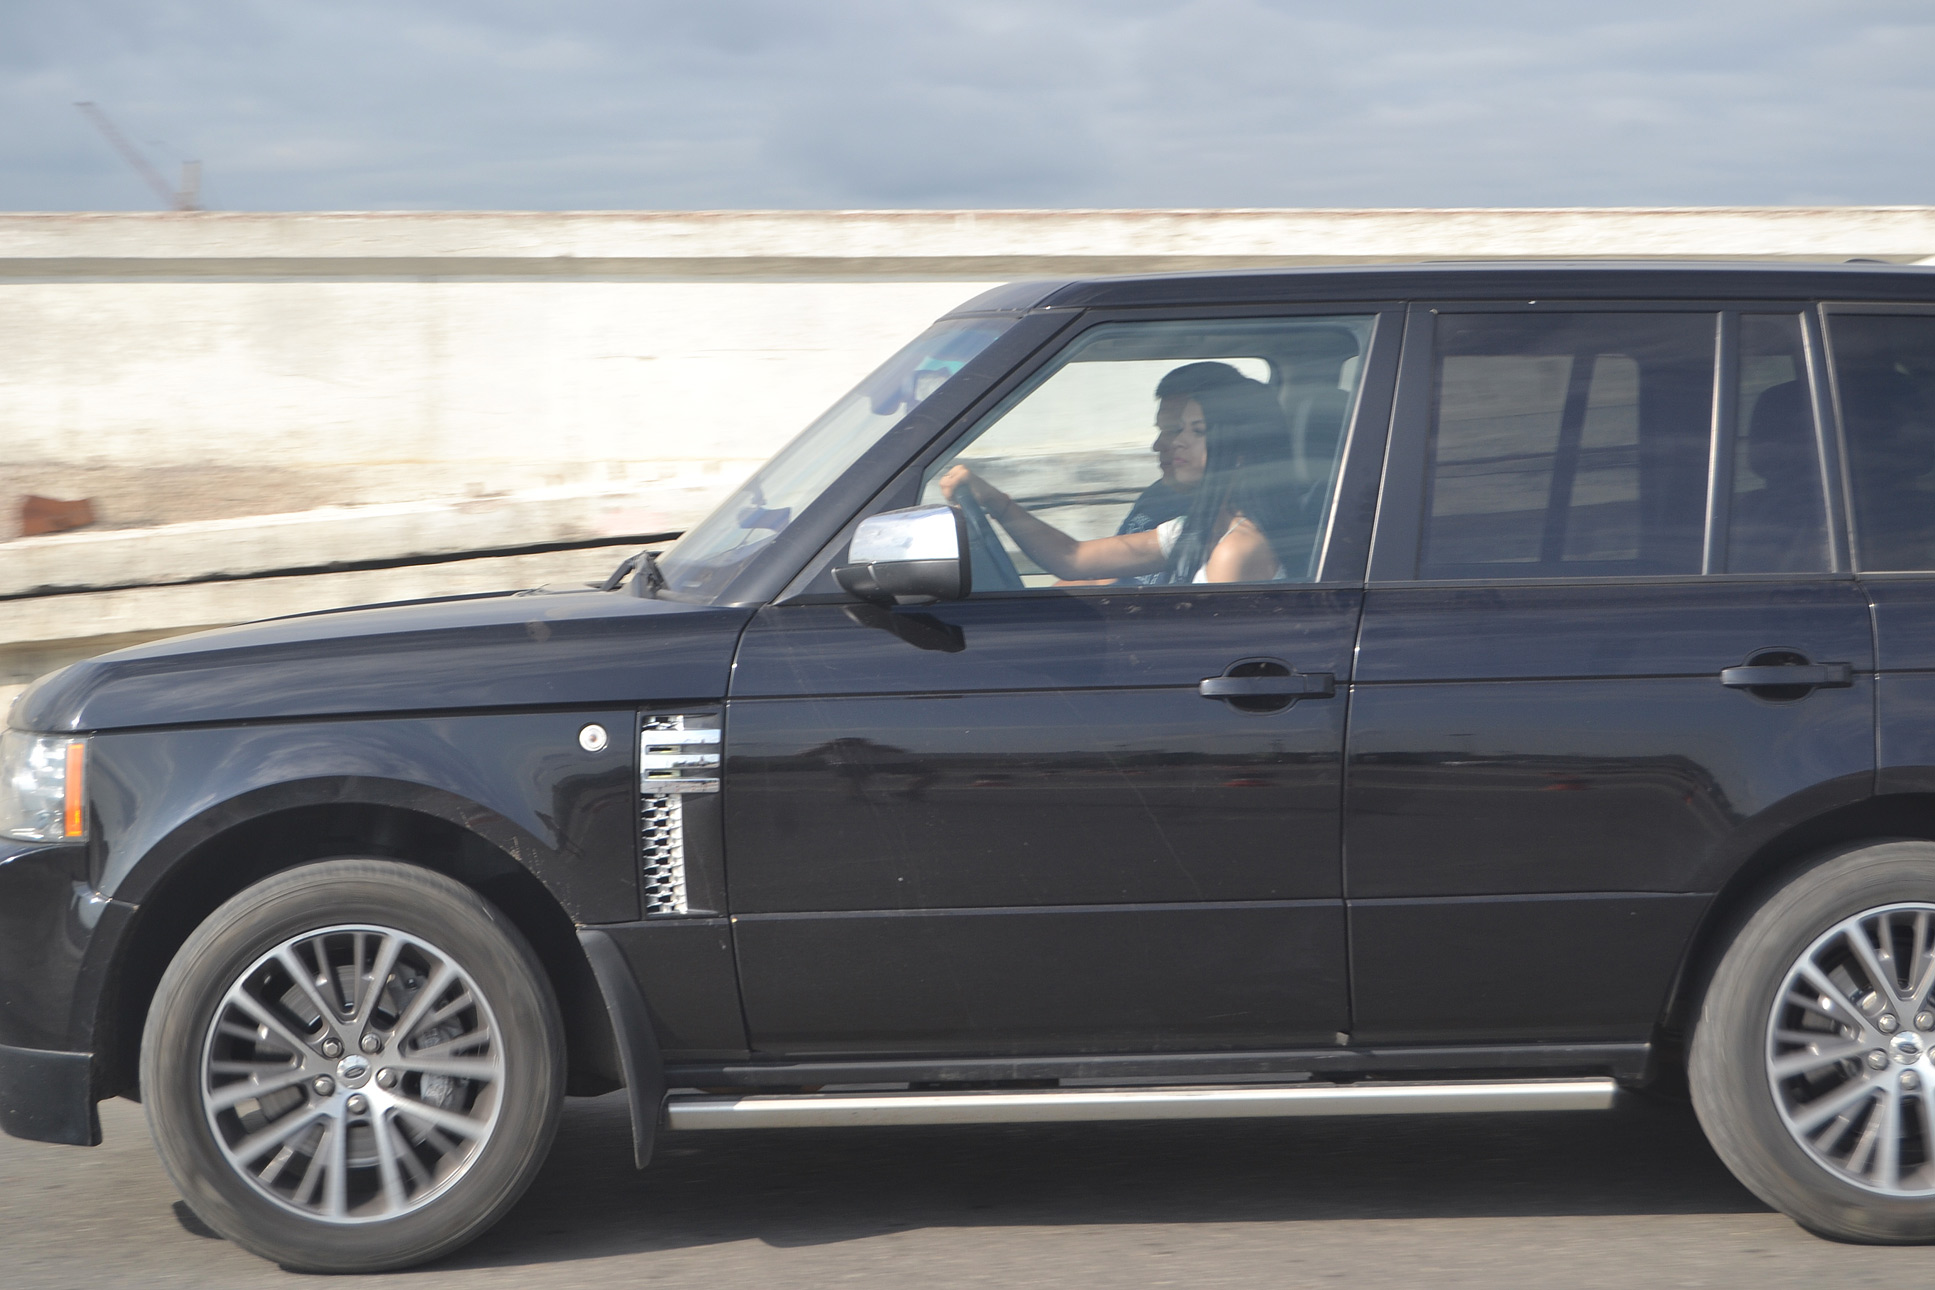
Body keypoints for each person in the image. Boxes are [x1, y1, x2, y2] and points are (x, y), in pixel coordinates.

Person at [938, 378, 1305, 584]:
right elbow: (1073, 558)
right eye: (1179, 429)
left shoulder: (1236, 551)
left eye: (1197, 431)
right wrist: (997, 502)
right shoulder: (1195, 529)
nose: (1175, 442)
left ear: (1240, 450)